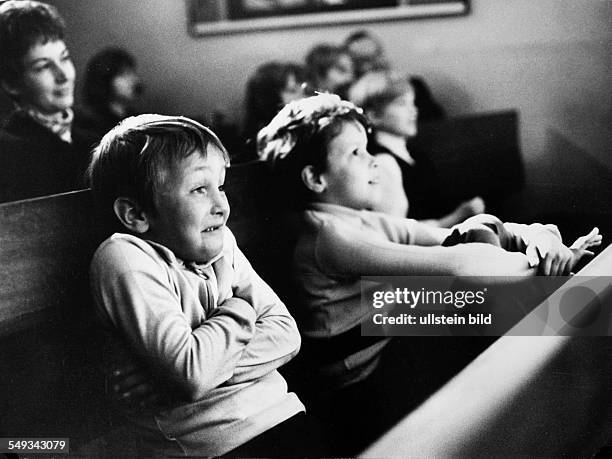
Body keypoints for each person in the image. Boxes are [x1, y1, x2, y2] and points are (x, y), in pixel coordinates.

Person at [256, 94, 601, 453]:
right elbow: (464, 266)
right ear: (315, 178)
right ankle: (566, 406)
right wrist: (543, 260)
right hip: (362, 387)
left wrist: (541, 237)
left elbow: (465, 237)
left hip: (390, 340)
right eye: (355, 153)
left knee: (481, 236)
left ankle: (573, 374)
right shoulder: (327, 236)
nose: (372, 159)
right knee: (490, 292)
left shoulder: (361, 220)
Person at [88, 114, 309, 457]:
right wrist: (240, 309)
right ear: (136, 215)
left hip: (282, 412)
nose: (222, 206)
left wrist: (173, 379)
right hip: (213, 446)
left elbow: (286, 334)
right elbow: (192, 373)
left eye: (219, 186)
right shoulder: (125, 258)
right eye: (198, 189)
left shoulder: (221, 242)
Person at [349, 70, 484, 223]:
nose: (413, 110)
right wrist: (459, 215)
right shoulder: (383, 162)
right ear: (374, 116)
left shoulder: (416, 154)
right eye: (401, 104)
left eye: (412, 103)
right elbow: (396, 232)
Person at [0, 0, 96, 203]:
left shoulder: (96, 133)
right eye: (43, 66)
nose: (63, 75)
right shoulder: (7, 153)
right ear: (11, 83)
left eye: (64, 58)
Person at [344, 28, 445, 121]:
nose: (376, 62)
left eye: (377, 54)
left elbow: (436, 121)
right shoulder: (347, 100)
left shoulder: (415, 86)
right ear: (353, 66)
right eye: (365, 60)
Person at [238, 61, 307, 162]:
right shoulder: (262, 143)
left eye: (302, 91)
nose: (303, 97)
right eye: (292, 91)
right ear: (270, 98)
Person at [76, 47, 143, 138]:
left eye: (132, 73)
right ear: (105, 80)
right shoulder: (91, 123)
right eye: (123, 75)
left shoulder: (137, 120)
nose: (133, 80)